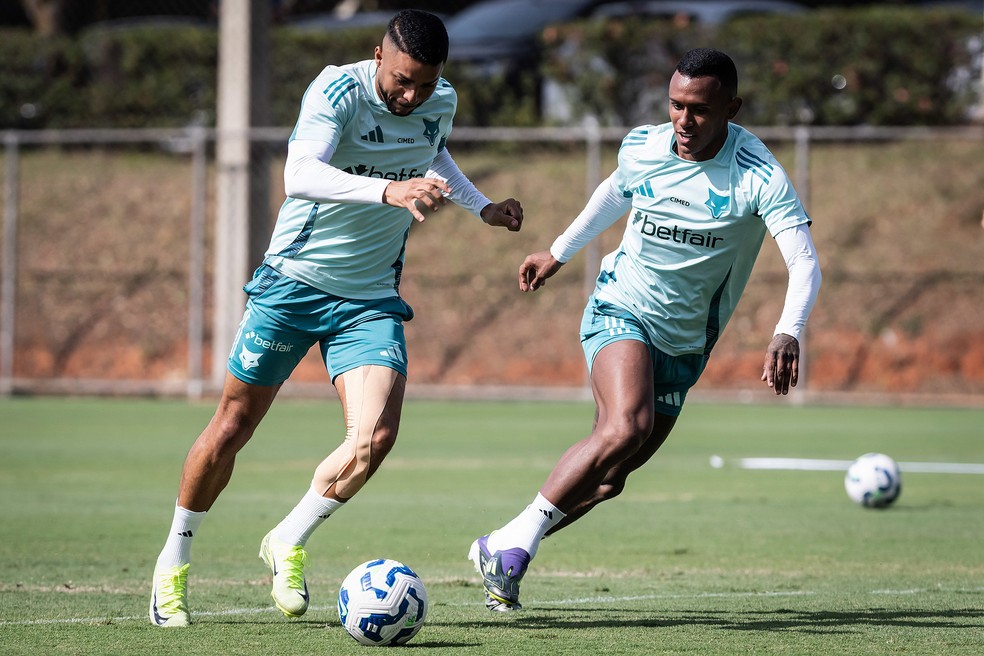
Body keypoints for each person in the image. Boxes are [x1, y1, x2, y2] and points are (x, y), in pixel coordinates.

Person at [150, 9, 524, 627]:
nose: (412, 96)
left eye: (425, 84)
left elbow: (434, 155)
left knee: (374, 438)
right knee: (233, 425)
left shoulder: (439, 99)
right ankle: (173, 563)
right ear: (377, 56)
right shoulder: (337, 89)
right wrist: (388, 190)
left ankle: (288, 538)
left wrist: (480, 206)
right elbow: (299, 174)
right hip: (293, 284)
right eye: (403, 81)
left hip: (369, 296)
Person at [469, 48, 821, 612]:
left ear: (732, 108)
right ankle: (516, 550)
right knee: (625, 425)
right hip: (621, 306)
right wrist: (559, 252)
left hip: (686, 341)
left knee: (610, 478)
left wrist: (787, 329)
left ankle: (503, 540)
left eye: (700, 110)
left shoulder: (757, 174)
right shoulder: (645, 145)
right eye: (676, 105)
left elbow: (804, 261)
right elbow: (614, 192)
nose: (684, 122)